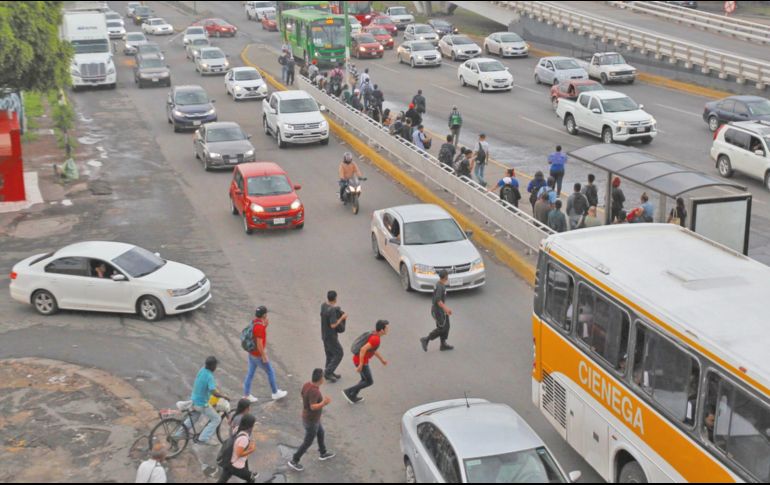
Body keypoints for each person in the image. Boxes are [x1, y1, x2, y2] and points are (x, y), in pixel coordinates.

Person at [288, 369, 336, 472]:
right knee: (308, 442)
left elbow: (302, 394)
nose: (323, 378)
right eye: (323, 377)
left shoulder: (307, 384)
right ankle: (294, 460)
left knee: (321, 433)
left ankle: (323, 452)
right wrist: (324, 403)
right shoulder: (315, 391)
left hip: (311, 418)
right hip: (311, 421)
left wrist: (306, 404)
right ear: (320, 379)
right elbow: (313, 406)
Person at [243, 306, 288, 403]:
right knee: (270, 372)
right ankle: (275, 392)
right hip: (258, 355)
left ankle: (246, 394)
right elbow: (259, 343)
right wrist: (263, 356)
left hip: (251, 353)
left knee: (250, 373)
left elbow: (255, 335)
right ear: (264, 315)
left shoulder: (255, 322)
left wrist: (265, 326)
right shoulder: (259, 327)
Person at [343, 320, 390, 404]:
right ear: (382, 330)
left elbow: (372, 350)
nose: (388, 329)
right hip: (361, 361)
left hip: (359, 359)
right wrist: (361, 364)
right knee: (369, 381)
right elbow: (363, 349)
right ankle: (348, 391)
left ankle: (352, 395)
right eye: (387, 328)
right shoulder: (376, 339)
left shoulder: (374, 334)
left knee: (364, 379)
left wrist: (381, 359)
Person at [187, 356, 230, 446]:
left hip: (194, 399)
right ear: (212, 366)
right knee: (216, 419)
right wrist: (224, 396)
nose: (216, 367)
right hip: (201, 403)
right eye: (215, 365)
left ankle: (178, 434)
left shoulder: (202, 370)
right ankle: (202, 439)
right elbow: (213, 392)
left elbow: (208, 386)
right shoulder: (209, 376)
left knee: (193, 418)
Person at [218, 414, 259, 483]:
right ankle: (248, 474)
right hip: (236, 465)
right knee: (251, 479)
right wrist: (251, 449)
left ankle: (247, 472)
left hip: (229, 461)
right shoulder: (243, 438)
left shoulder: (237, 429)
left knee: (222, 480)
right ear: (250, 425)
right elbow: (239, 454)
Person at [420, 270, 453, 352]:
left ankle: (443, 344)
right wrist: (446, 309)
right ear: (446, 277)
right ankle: (426, 339)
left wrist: (444, 310)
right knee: (442, 328)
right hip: (437, 311)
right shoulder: (439, 287)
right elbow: (438, 301)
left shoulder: (441, 284)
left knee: (447, 326)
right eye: (447, 275)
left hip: (441, 310)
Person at [321, 290, 347, 382]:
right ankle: (327, 372)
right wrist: (342, 318)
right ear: (335, 298)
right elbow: (333, 325)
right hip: (331, 336)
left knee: (330, 354)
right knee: (339, 353)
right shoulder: (331, 310)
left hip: (324, 334)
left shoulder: (323, 305)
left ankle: (330, 371)